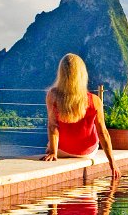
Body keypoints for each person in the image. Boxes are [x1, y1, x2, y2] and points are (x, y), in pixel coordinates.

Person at [40, 53, 120, 181]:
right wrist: (112, 163)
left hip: (62, 151)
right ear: (82, 74)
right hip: (88, 152)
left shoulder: (53, 95)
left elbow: (52, 126)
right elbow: (103, 132)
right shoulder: (95, 100)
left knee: (48, 145)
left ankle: (52, 149)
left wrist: (53, 152)